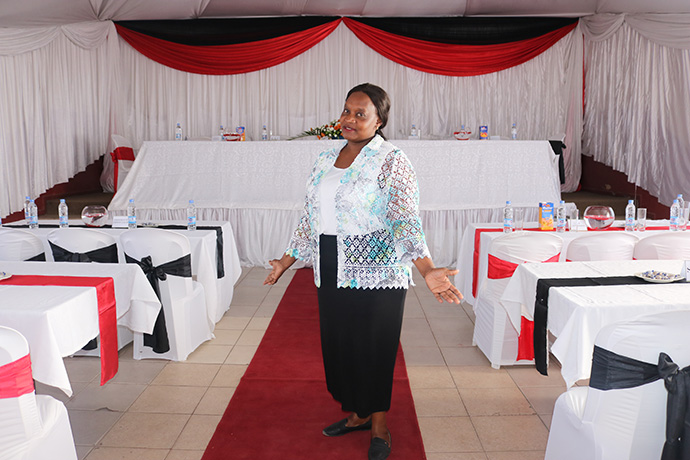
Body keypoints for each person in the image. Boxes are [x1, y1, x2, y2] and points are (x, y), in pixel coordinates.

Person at [264, 83, 462, 460]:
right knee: (341, 346)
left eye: (360, 114)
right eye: (346, 112)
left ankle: (379, 426)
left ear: (379, 121)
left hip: (377, 268)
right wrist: (285, 261)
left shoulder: (391, 159)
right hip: (330, 264)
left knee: (374, 347)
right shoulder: (325, 158)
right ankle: (357, 413)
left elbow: (404, 217)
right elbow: (310, 216)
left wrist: (426, 269)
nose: (350, 120)